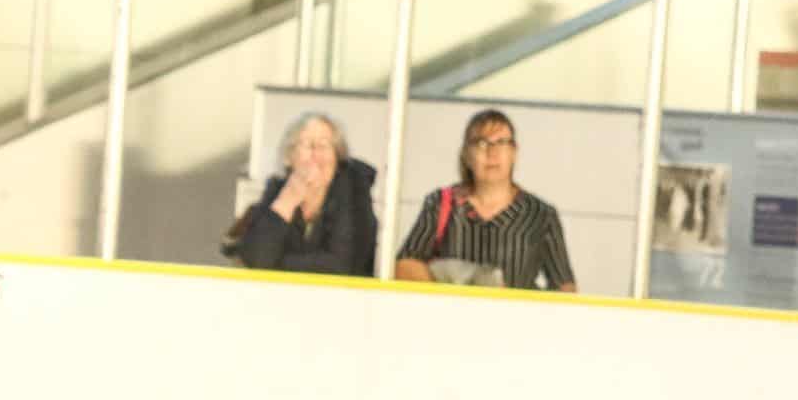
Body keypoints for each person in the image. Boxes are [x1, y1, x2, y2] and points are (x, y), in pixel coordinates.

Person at [393, 108, 576, 291]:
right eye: (481, 143)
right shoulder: (441, 203)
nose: (492, 152)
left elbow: (564, 286)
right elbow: (404, 266)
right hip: (450, 317)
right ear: (466, 154)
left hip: (515, 318)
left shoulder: (541, 214)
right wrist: (458, 289)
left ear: (514, 152)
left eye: (501, 142)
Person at [232, 112, 378, 276]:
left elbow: (341, 265)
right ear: (290, 157)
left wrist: (276, 263)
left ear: (337, 158)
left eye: (323, 145)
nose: (315, 154)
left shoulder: (354, 191)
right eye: (307, 145)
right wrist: (287, 200)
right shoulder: (278, 190)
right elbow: (256, 259)